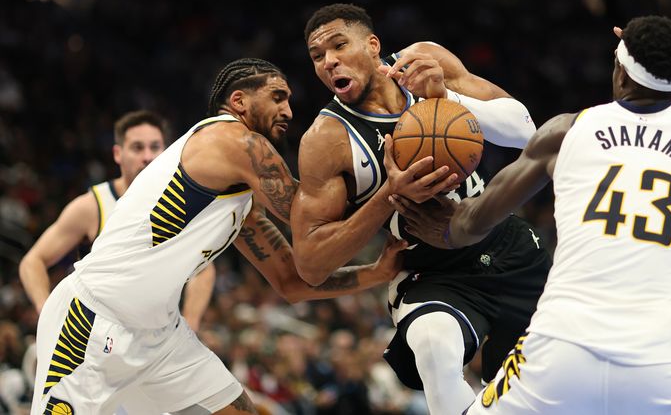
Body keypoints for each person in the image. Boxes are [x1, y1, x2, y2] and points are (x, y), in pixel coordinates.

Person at [30, 58, 407, 415]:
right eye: (277, 96)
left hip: (160, 337)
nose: (289, 111)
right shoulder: (233, 139)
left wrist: (376, 272)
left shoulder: (241, 200)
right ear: (238, 101)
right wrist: (391, 189)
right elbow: (313, 218)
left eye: (290, 100)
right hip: (92, 320)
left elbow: (293, 282)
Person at [445, 16, 671, 414]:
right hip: (667, 362)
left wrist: (430, 206)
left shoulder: (565, 132)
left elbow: (467, 226)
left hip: (562, 352)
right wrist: (635, 50)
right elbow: (665, 69)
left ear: (621, 73)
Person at [292, 3, 551, 415]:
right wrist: (386, 196)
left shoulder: (424, 61)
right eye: (318, 56)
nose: (329, 61)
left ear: (373, 45)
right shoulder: (327, 139)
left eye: (339, 46)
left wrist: (447, 97)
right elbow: (309, 264)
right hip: (429, 271)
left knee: (541, 392)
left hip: (504, 244)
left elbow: (526, 133)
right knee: (434, 347)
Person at [19, 110, 216, 332]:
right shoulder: (92, 206)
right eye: (137, 147)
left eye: (155, 147)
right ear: (117, 154)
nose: (148, 156)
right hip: (97, 336)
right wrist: (47, 313)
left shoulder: (179, 204)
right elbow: (32, 261)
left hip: (155, 336)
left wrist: (191, 321)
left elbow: (203, 268)